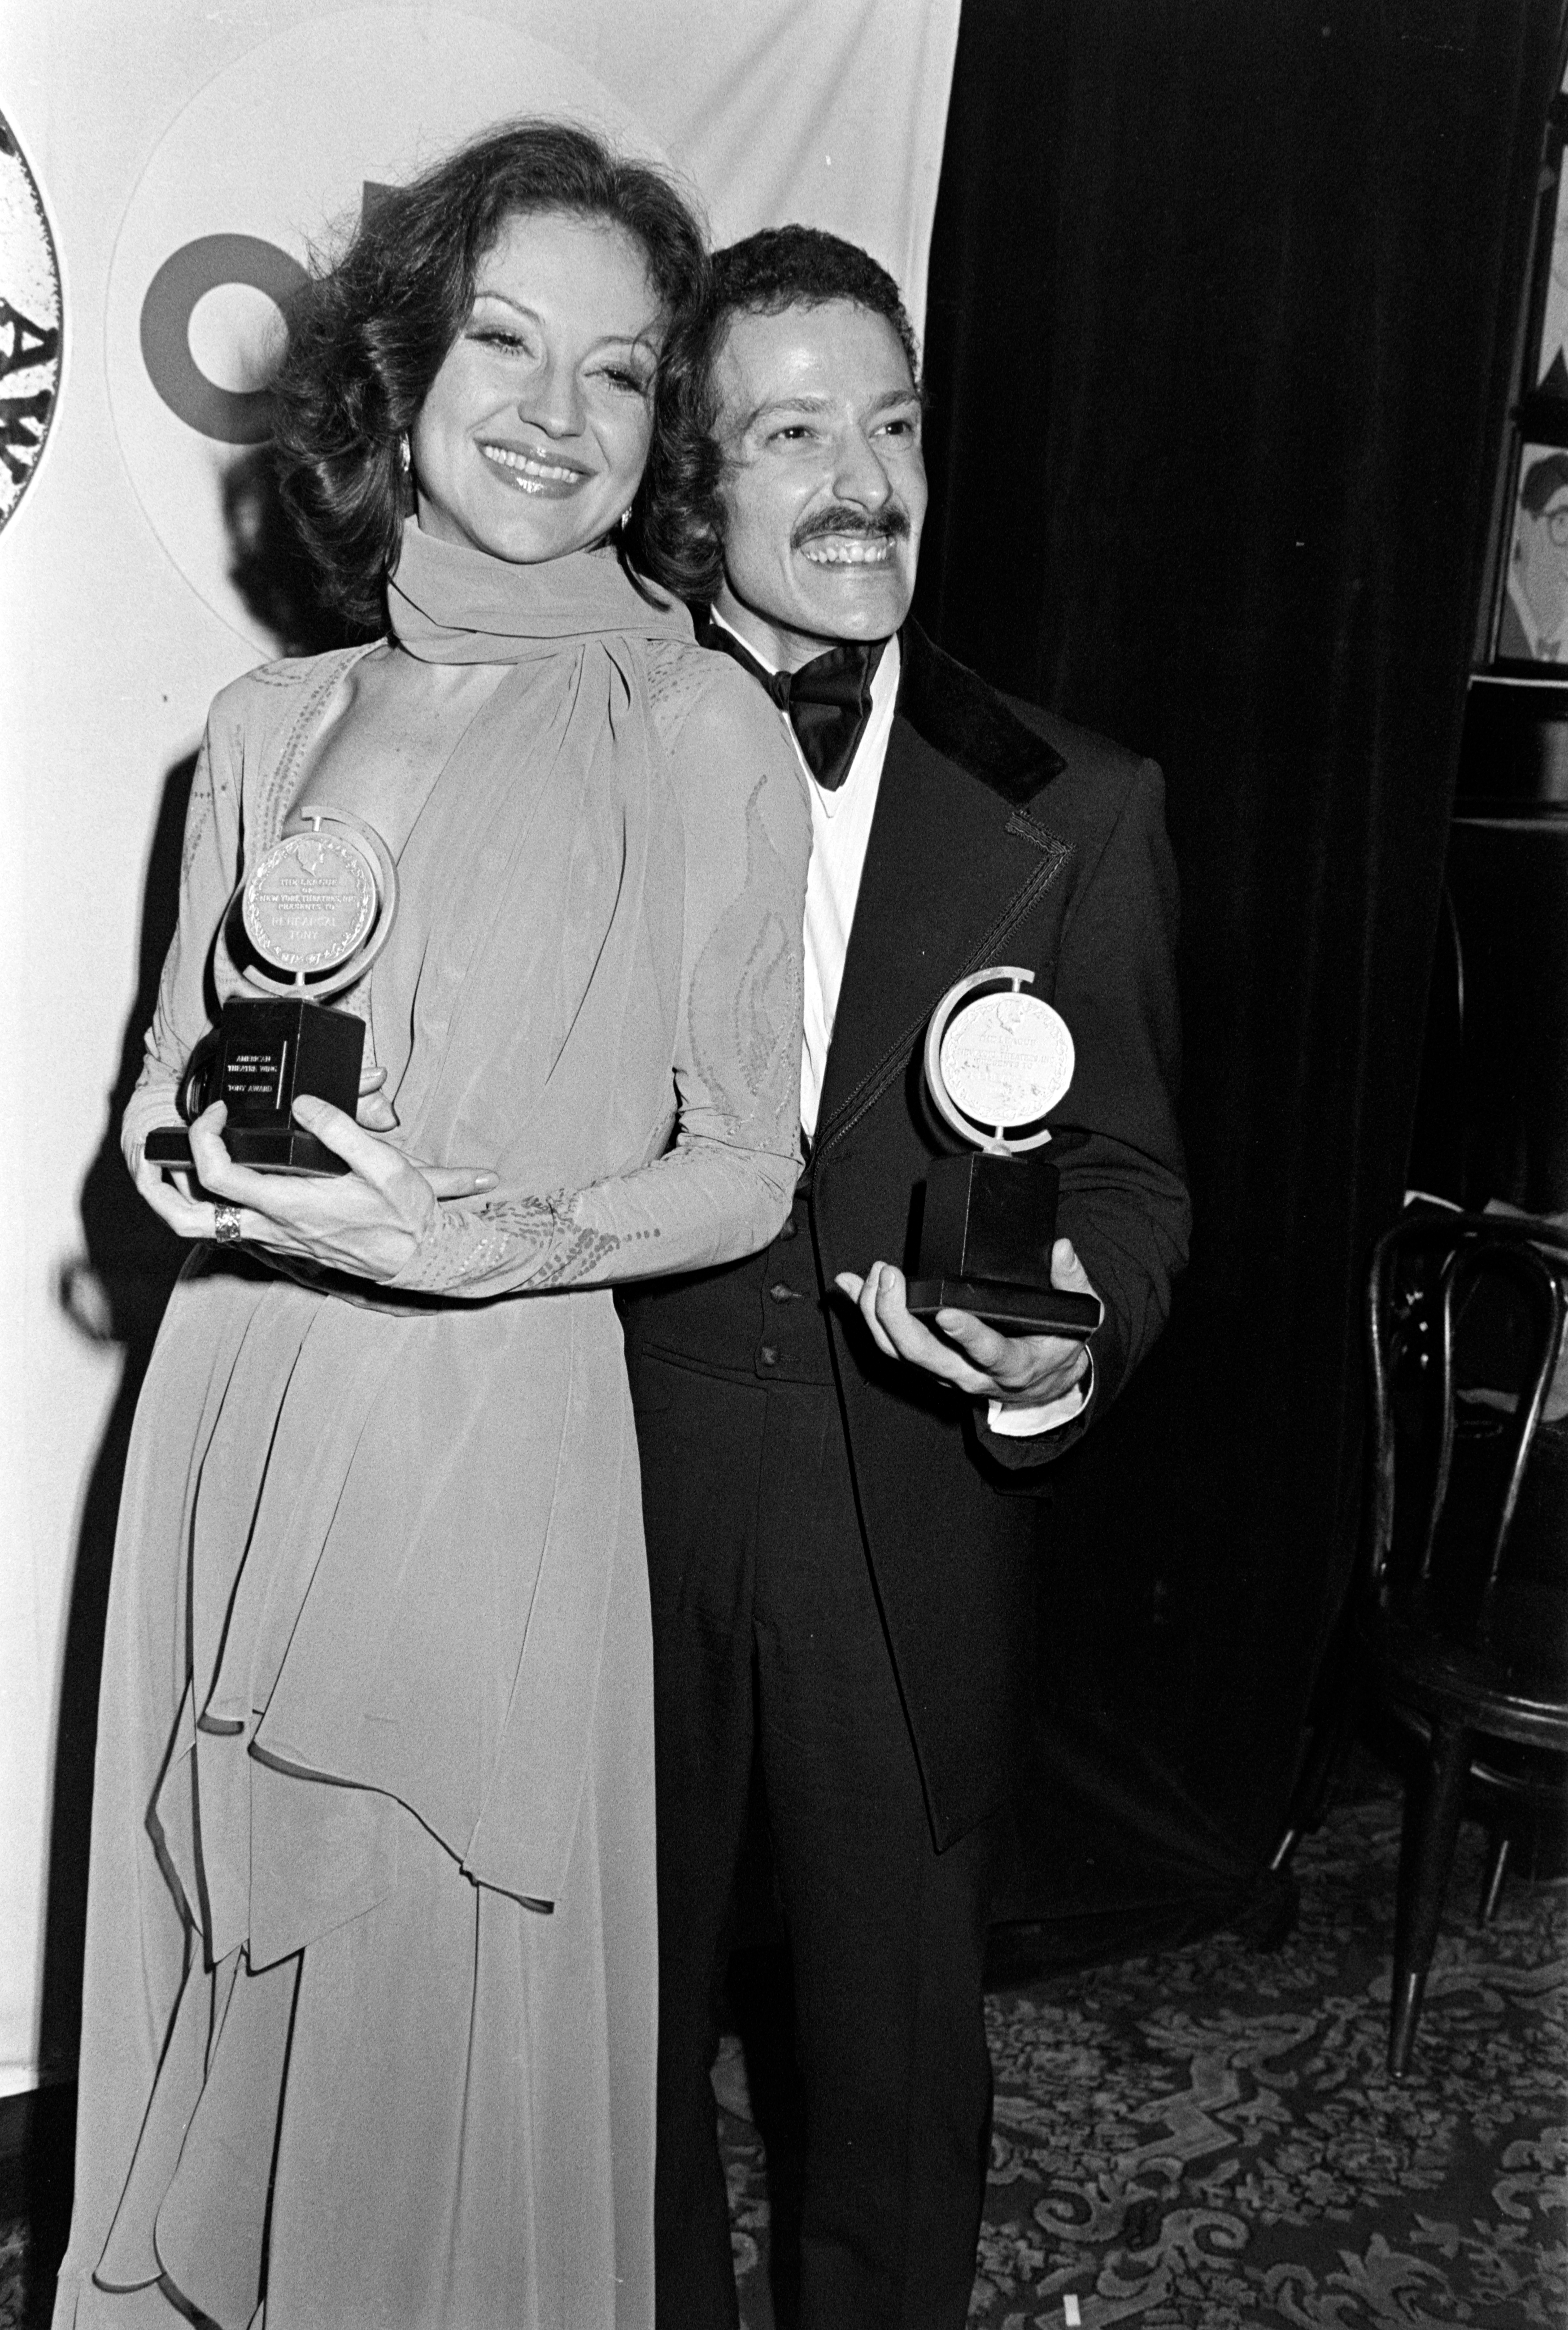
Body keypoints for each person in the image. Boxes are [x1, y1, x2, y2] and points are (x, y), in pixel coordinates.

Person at [53, 126, 809, 2329]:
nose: (555, 415)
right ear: (404, 372)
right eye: (504, 342)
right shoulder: (264, 726)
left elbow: (742, 1155)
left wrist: (493, 1241)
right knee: (220, 1974)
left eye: (623, 370)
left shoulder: (694, 724)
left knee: (418, 2032)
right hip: (230, 1406)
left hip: (491, 1428)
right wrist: (169, 1150)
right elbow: (178, 1085)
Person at [619, 227, 1190, 2329]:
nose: (863, 479)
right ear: (692, 489)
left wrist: (1064, 1355)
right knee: (607, 2045)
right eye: (792, 432)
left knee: (891, 2088)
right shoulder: (586, 763)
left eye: (892, 422)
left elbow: (1130, 1183)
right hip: (612, 1481)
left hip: (908, 1514)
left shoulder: (1076, 805)